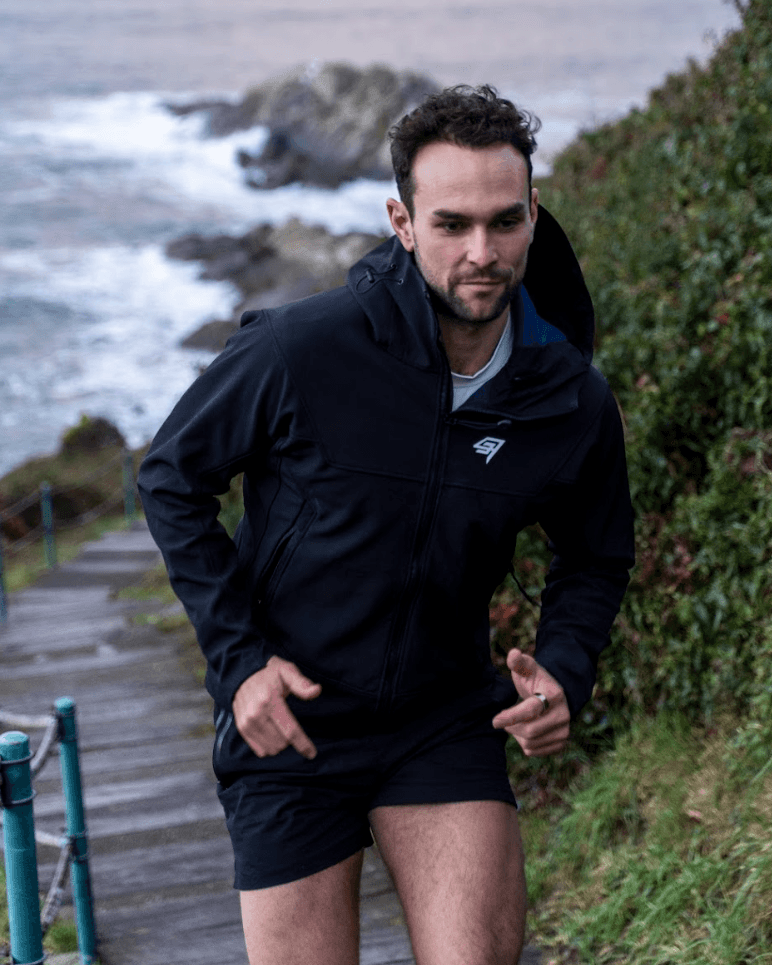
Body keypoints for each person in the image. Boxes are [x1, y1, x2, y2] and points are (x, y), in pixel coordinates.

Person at [137, 84, 635, 965]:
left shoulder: (567, 396)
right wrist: (239, 665)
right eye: (451, 225)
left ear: (533, 213)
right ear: (401, 222)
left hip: (442, 720)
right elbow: (172, 476)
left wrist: (563, 669)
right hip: (289, 720)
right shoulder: (299, 348)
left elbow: (595, 555)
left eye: (504, 221)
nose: (481, 252)